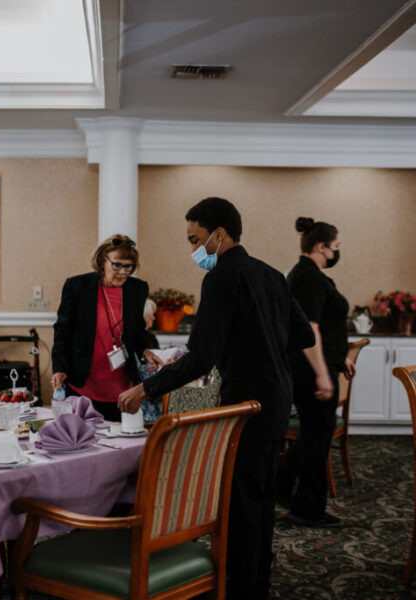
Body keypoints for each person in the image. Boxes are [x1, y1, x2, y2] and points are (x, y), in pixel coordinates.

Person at [118, 197, 315, 600]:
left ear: (219, 234)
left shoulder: (222, 276)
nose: (193, 250)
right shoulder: (272, 275)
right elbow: (304, 336)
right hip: (277, 399)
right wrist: (267, 349)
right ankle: (257, 580)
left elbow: (201, 356)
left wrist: (145, 388)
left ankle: (240, 587)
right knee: (260, 499)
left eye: (195, 240)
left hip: (244, 405)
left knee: (241, 502)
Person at [277, 217, 355, 528]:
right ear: (322, 247)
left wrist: (339, 359)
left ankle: (279, 487)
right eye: (336, 247)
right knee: (317, 439)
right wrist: (323, 374)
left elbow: (324, 324)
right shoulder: (308, 277)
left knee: (311, 436)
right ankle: (307, 509)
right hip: (310, 372)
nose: (337, 252)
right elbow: (310, 329)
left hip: (313, 367)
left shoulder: (307, 273)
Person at [51, 234, 162, 422]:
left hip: (121, 388)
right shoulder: (78, 286)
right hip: (83, 382)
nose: (123, 272)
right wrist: (59, 367)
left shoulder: (137, 289)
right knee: (81, 441)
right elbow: (62, 330)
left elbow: (137, 331)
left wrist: (145, 350)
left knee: (119, 440)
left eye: (128, 266)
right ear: (103, 260)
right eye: (117, 265)